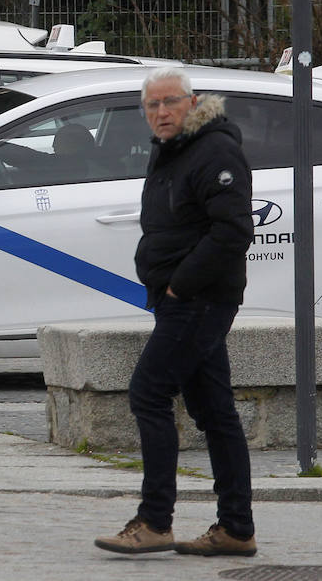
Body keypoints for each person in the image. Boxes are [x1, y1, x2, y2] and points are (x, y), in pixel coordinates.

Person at [95, 66, 257, 558]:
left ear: (191, 102)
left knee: (149, 391)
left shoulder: (215, 151)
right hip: (180, 299)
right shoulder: (174, 151)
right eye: (152, 106)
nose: (161, 113)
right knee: (215, 411)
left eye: (169, 102)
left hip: (198, 299)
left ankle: (155, 521)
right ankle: (236, 528)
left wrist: (180, 287)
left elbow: (232, 232)